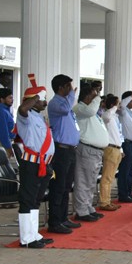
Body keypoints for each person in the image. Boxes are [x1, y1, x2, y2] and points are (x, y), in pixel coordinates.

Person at [14, 74, 54, 248]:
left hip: (43, 163)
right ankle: (26, 239)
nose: (45, 103)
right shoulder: (26, 115)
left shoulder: (39, 116)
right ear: (33, 100)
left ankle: (34, 234)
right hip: (31, 162)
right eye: (42, 100)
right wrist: (37, 95)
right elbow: (22, 109)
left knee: (36, 199)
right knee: (28, 199)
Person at [47, 74, 82, 234]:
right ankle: (54, 222)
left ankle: (63, 218)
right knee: (58, 186)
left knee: (67, 186)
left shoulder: (67, 104)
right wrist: (72, 96)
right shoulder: (55, 103)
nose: (71, 90)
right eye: (68, 86)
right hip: (60, 150)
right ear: (61, 88)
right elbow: (66, 109)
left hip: (70, 150)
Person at [73, 82, 108, 222]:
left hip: (95, 152)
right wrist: (97, 97)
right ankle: (81, 211)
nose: (96, 99)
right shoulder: (80, 108)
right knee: (83, 181)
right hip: (87, 149)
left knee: (91, 182)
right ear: (87, 96)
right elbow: (91, 111)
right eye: (93, 96)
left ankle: (88, 208)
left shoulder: (90, 110)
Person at [97, 94, 123, 211]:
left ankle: (108, 201)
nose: (120, 105)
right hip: (110, 148)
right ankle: (104, 202)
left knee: (110, 177)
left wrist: (121, 149)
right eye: (118, 103)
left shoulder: (116, 117)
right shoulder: (107, 115)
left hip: (117, 148)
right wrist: (113, 107)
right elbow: (106, 116)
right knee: (106, 177)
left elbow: (118, 134)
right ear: (113, 105)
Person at [117, 91, 132, 203]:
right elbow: (122, 105)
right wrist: (129, 97)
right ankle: (123, 194)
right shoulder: (122, 111)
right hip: (127, 144)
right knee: (125, 170)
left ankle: (128, 192)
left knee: (131, 170)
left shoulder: (130, 113)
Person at [0, 88, 15, 157]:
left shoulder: (5, 110)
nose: (12, 100)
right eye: (9, 98)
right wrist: (9, 148)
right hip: (1, 144)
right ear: (2, 99)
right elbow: (3, 132)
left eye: (12, 98)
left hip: (3, 143)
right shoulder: (1, 111)